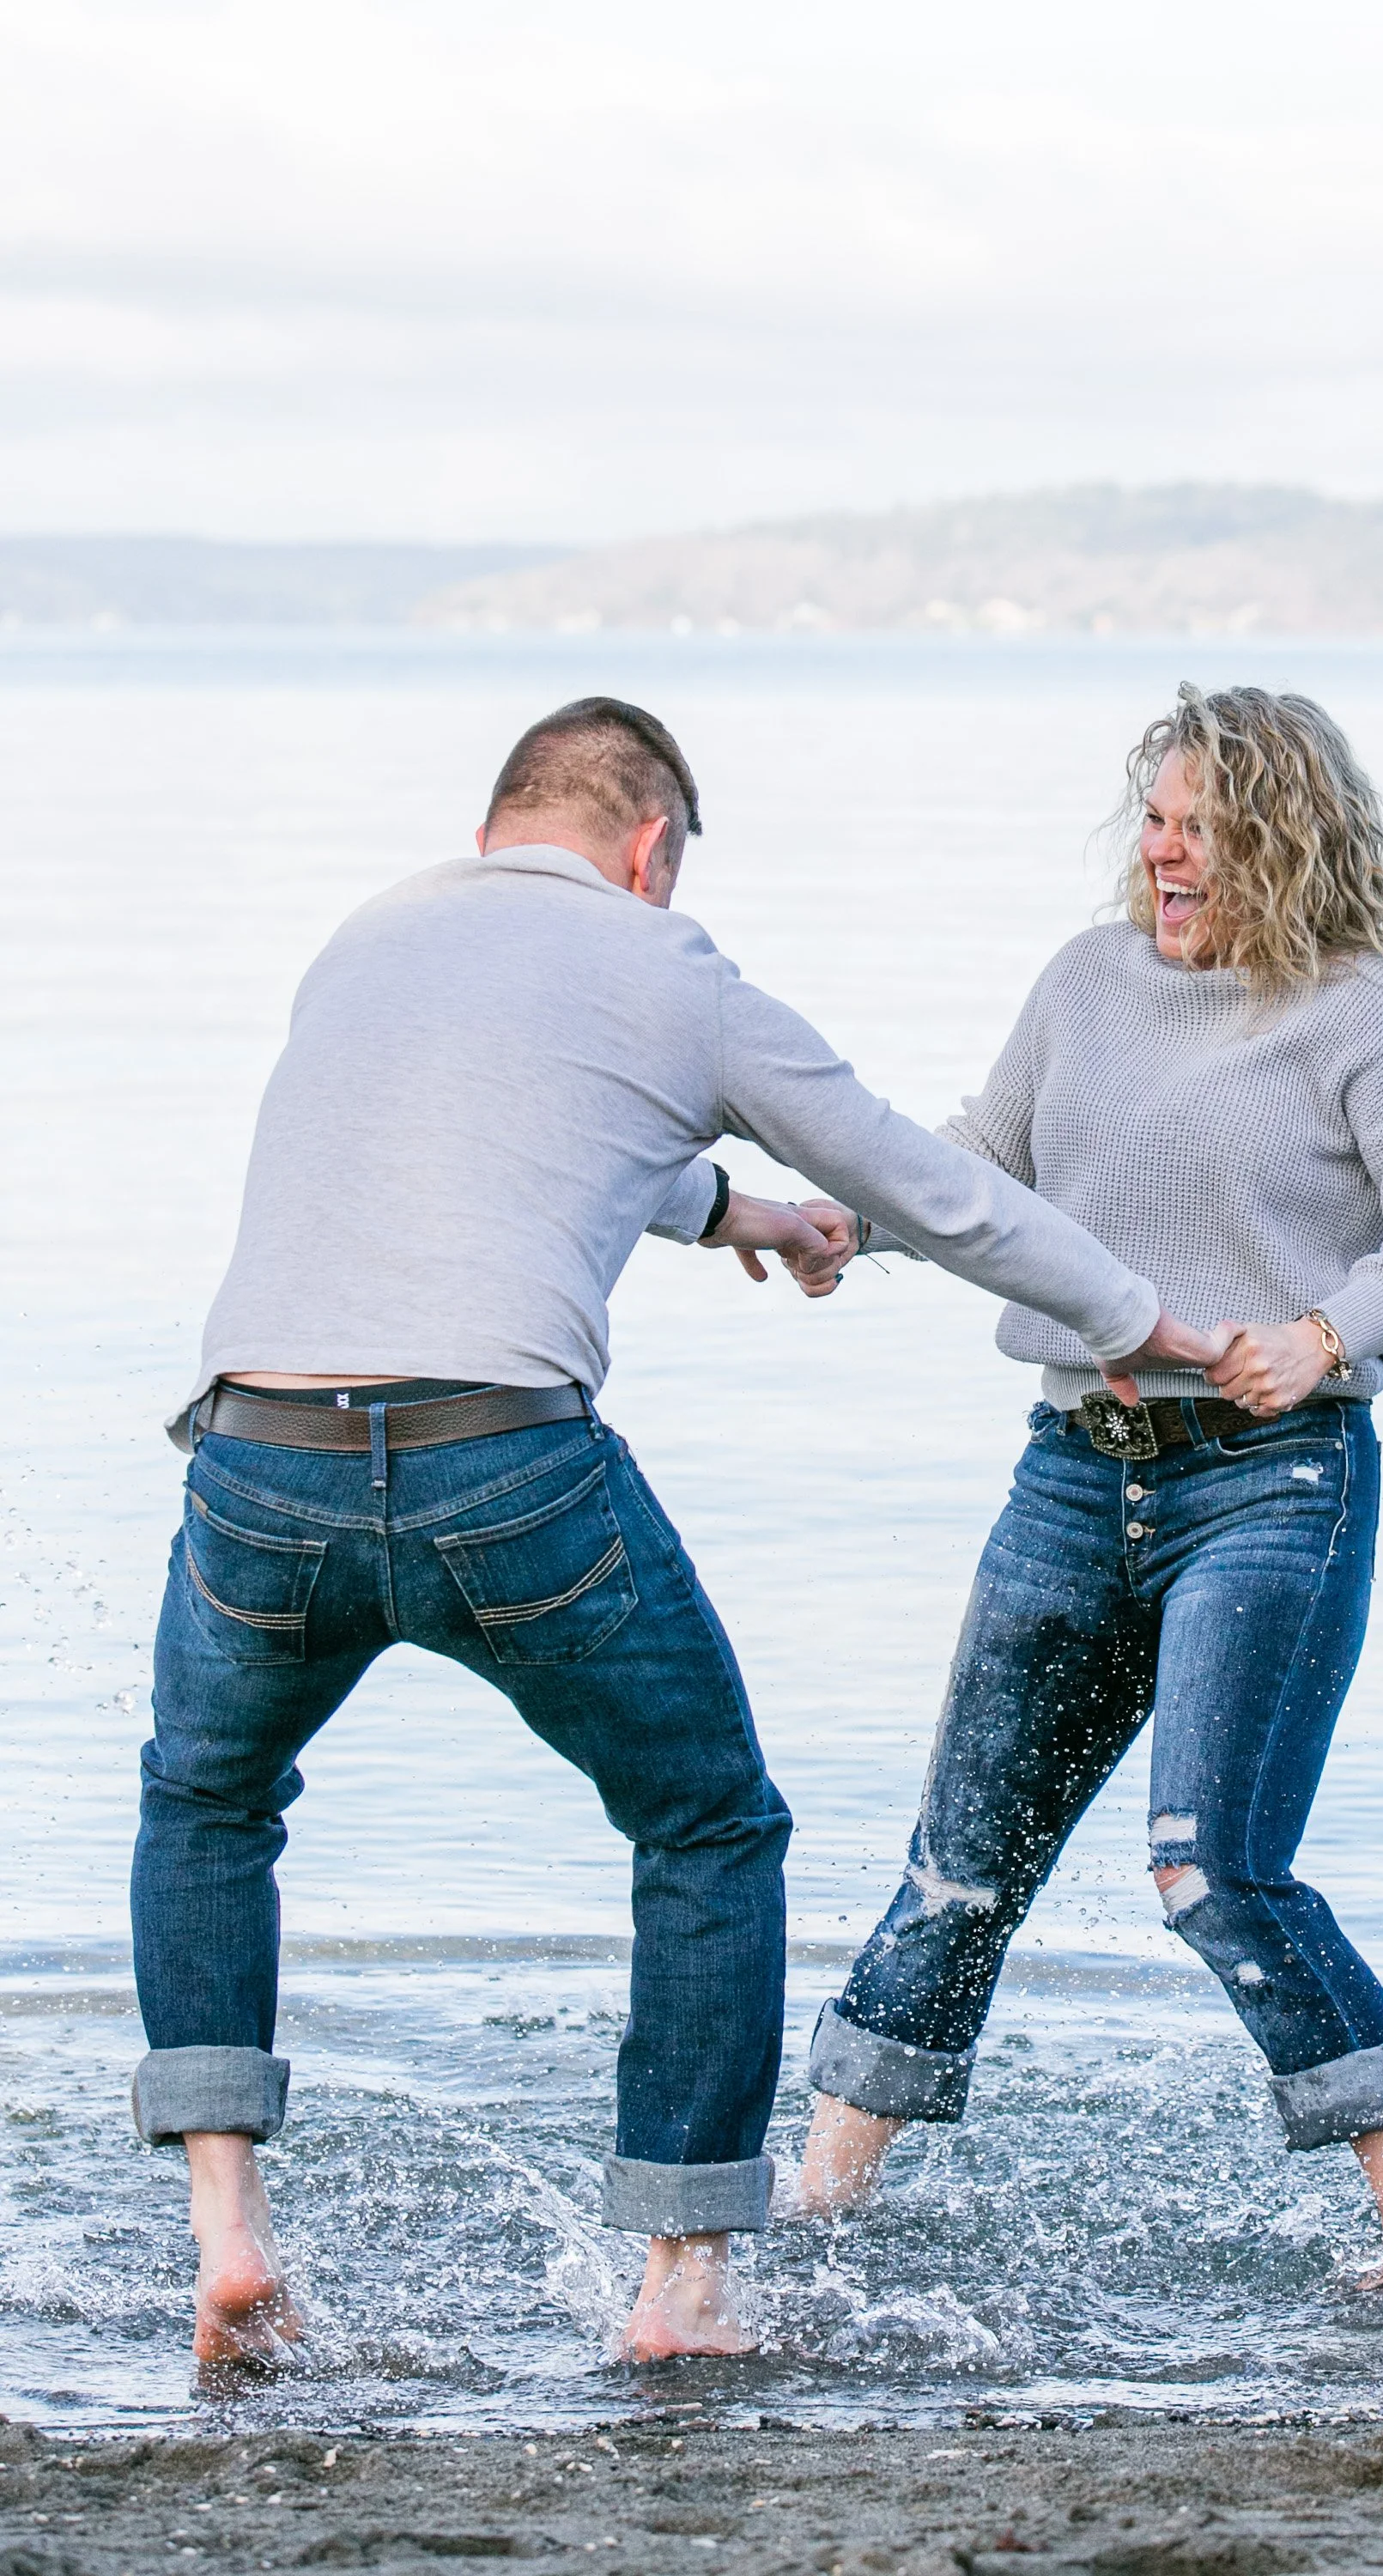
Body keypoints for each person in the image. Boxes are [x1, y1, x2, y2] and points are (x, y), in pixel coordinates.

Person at [132, 695, 1219, 2377]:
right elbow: (936, 1191)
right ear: (649, 847)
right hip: (506, 1467)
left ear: (505, 820)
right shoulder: (668, 966)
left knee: (206, 1802)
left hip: (258, 1461)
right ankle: (683, 2290)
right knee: (708, 1827)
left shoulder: (368, 942)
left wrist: (732, 1213)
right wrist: (1140, 1313)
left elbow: (538, 1131)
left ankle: (228, 2243)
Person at [798, 683, 1383, 2277]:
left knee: (1211, 1872)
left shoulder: (1370, 1017)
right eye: (1156, 821)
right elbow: (981, 1160)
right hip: (1072, 1475)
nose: (1164, 855)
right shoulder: (1086, 983)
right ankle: (810, 2212)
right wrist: (849, 1216)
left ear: (1287, 843)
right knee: (957, 1870)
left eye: (1201, 828)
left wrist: (1331, 1330)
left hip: (1273, 1484)